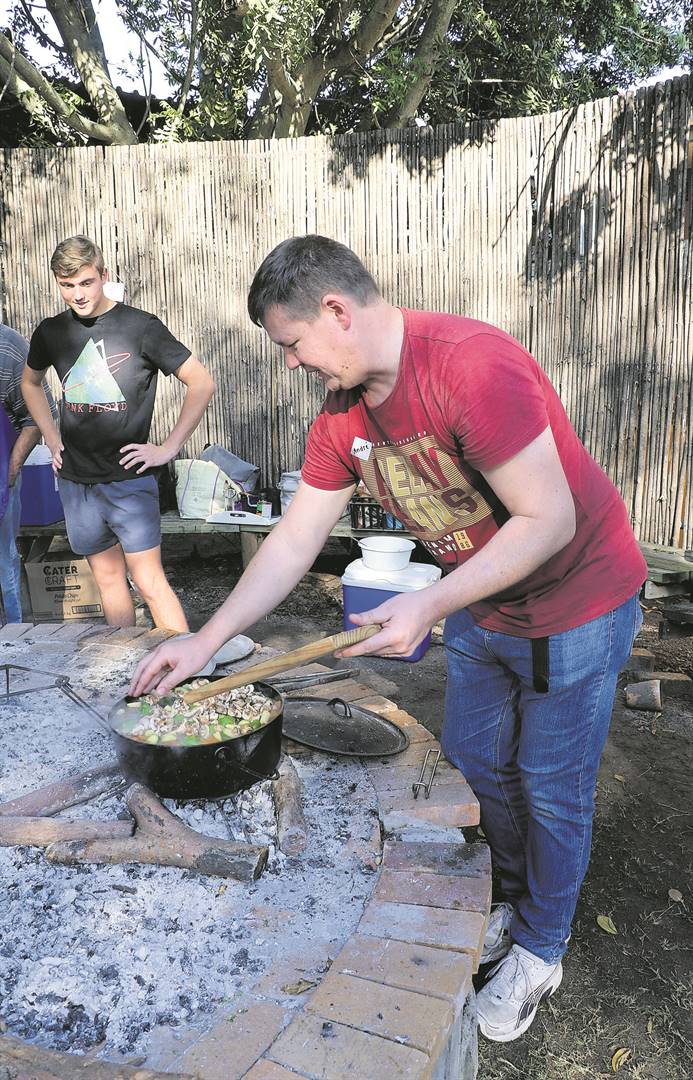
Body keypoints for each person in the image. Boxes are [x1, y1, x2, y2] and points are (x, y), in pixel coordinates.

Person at [129, 235, 647, 1041]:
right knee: (477, 768)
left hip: (574, 603)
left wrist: (428, 602)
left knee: (549, 786)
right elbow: (294, 541)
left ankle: (541, 948)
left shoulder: (470, 367)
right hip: (481, 605)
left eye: (291, 343)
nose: (291, 365)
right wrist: (206, 640)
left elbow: (549, 519)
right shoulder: (342, 416)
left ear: (336, 310)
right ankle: (515, 903)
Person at [21, 235, 216, 630]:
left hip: (129, 480)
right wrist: (52, 438)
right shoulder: (51, 332)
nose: (78, 295)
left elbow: (202, 383)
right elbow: (30, 383)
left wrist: (168, 448)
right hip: (76, 482)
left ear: (103, 275)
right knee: (108, 580)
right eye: (67, 285)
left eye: (86, 282)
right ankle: (127, 661)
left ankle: (185, 663)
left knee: (148, 582)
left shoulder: (141, 327)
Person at [0, 323, 58, 623]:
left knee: (3, 560)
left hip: (0, 475)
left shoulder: (8, 347)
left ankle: (13, 635)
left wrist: (9, 471)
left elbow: (38, 416)